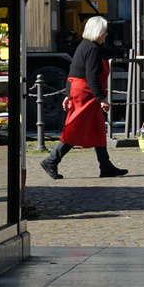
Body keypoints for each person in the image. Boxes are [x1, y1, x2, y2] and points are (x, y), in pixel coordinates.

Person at [39, 16, 128, 179]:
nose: (107, 34)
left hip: (81, 91)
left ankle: (105, 165)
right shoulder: (92, 49)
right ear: (98, 31)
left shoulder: (84, 46)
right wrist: (102, 98)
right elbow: (92, 77)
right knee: (76, 127)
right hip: (86, 93)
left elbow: (73, 73)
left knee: (97, 128)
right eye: (105, 31)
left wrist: (69, 95)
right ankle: (51, 160)